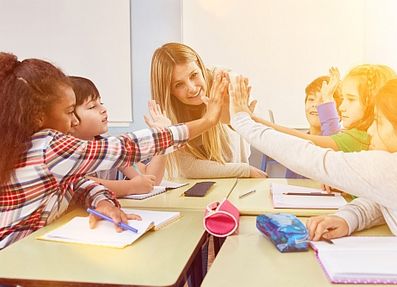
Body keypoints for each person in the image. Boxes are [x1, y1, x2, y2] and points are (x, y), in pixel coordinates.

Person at [0, 52, 227, 249]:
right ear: (39, 116)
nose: (74, 120)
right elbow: (126, 148)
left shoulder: (29, 146)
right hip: (12, 265)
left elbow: (77, 184)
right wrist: (207, 120)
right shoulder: (49, 147)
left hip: (29, 253)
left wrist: (103, 203)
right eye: (69, 111)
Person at [229, 74, 397, 254]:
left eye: (378, 122)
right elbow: (383, 200)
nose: (370, 131)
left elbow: (311, 158)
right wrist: (348, 218)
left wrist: (242, 121)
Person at [150, 42, 267, 178]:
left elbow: (254, 133)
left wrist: (238, 118)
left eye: (194, 75)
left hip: (235, 184)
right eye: (179, 84)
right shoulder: (165, 116)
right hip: (194, 187)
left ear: (201, 66)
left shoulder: (223, 83)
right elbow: (188, 168)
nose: (192, 88)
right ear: (169, 91)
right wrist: (245, 170)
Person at [249, 64, 397, 152]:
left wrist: (252, 120)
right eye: (344, 99)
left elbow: (304, 140)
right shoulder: (360, 136)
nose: (342, 107)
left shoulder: (357, 138)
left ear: (372, 102)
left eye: (350, 99)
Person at [69, 76, 167, 198]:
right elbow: (81, 184)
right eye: (92, 106)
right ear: (69, 117)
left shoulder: (110, 146)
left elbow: (150, 180)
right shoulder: (65, 153)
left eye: (101, 103)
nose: (103, 109)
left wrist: (162, 137)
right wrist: (131, 187)